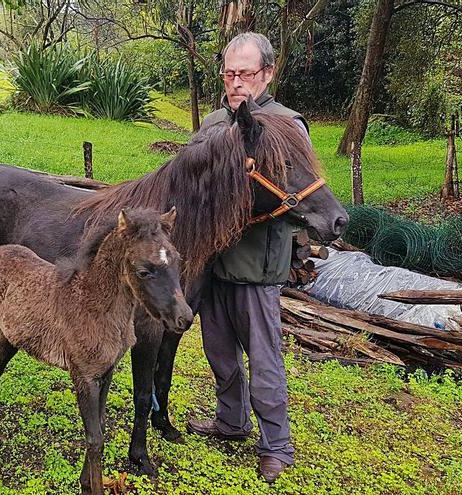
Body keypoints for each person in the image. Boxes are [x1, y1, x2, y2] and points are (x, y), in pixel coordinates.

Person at [186, 32, 309, 483]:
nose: (236, 82)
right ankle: (230, 422)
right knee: (218, 352)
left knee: (265, 360)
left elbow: (300, 195)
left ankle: (276, 446)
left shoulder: (286, 125)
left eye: (246, 73)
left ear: (268, 73)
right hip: (211, 261)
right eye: (229, 72)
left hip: (257, 264)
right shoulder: (214, 123)